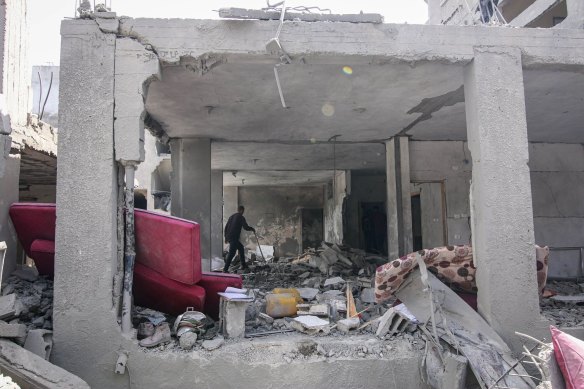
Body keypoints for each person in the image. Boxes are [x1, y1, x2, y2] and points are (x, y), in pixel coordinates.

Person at [223, 205, 255, 273]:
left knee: (241, 248)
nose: (243, 212)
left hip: (230, 237)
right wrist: (252, 229)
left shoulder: (231, 217)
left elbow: (226, 228)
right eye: (243, 211)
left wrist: (226, 237)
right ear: (242, 210)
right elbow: (245, 227)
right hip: (234, 237)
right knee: (232, 253)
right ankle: (225, 269)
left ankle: (243, 264)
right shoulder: (241, 217)